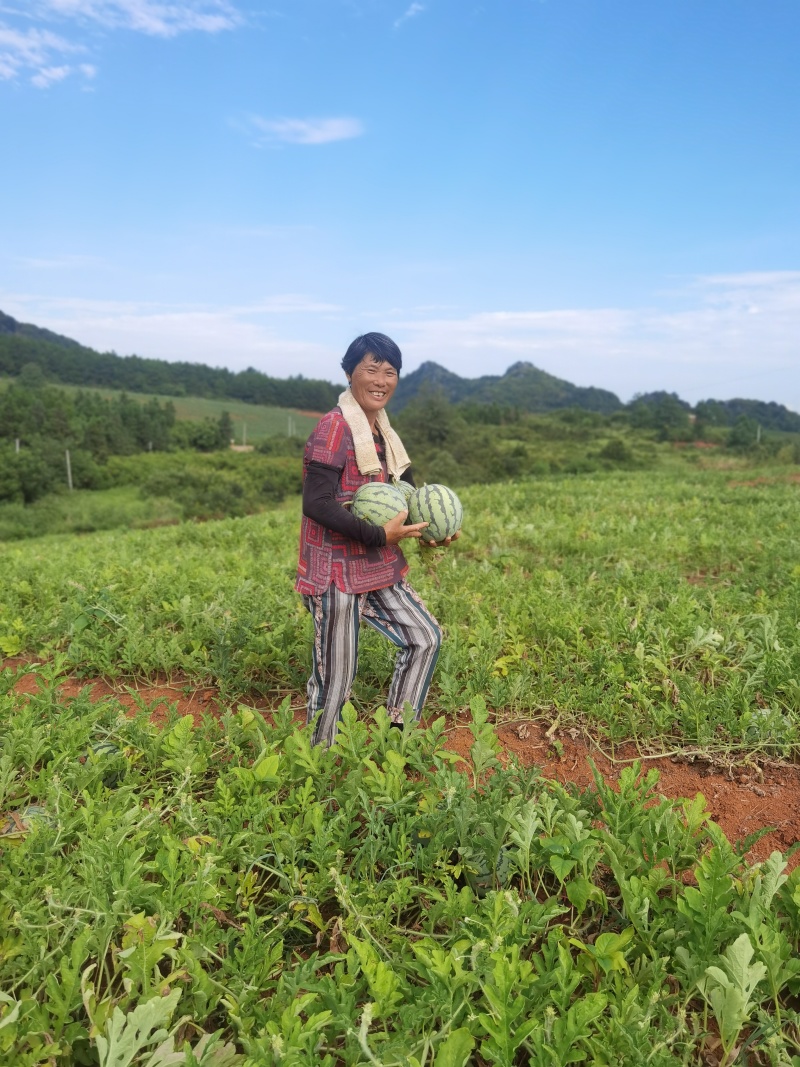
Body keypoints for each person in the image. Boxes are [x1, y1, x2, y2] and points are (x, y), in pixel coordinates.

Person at [295, 332, 458, 747]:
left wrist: (429, 530)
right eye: (372, 369)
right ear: (350, 373)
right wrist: (377, 534)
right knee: (337, 677)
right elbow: (316, 503)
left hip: (377, 564)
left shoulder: (383, 434)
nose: (382, 379)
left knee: (424, 638)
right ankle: (320, 761)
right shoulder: (333, 429)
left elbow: (407, 489)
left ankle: (396, 735)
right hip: (335, 572)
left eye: (391, 371)